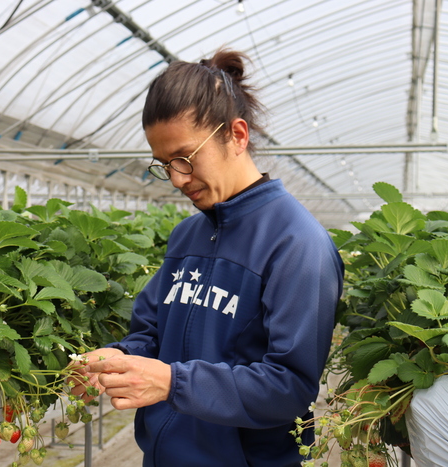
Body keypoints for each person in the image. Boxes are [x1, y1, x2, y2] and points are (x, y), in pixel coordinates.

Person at [69, 48, 344, 466]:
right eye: (164, 164)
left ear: (236, 135)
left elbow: (290, 386)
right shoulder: (187, 236)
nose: (178, 179)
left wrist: (172, 382)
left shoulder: (298, 244)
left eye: (186, 158)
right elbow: (152, 332)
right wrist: (120, 357)